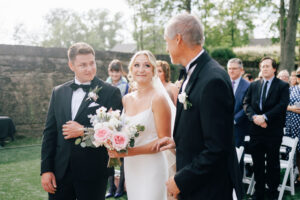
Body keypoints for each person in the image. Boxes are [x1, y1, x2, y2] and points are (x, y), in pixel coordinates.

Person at [154, 13, 243, 200]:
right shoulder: (192, 73)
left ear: (178, 39)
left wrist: (181, 181)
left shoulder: (213, 80)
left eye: (166, 41)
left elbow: (218, 148)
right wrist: (179, 141)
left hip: (209, 189)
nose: (166, 47)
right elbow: (203, 128)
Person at [40, 42, 122, 200]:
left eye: (92, 63)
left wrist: (84, 131)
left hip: (93, 172)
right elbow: (49, 133)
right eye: (83, 65)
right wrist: (46, 170)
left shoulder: (111, 92)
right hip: (60, 172)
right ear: (71, 65)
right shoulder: (58, 92)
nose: (89, 68)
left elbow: (116, 132)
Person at [108, 50, 176, 200]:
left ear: (153, 70)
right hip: (132, 166)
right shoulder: (126, 99)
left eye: (146, 65)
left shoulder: (158, 99)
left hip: (152, 166)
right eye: (137, 65)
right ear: (131, 69)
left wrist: (128, 152)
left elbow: (163, 141)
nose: (141, 69)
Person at [243, 57, 289, 200]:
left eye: (267, 66)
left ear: (274, 69)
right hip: (256, 131)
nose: (264, 69)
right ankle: (259, 192)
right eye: (262, 66)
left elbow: (282, 105)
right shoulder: (254, 85)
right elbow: (246, 103)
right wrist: (255, 117)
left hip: (272, 131)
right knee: (257, 164)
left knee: (272, 164)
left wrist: (265, 117)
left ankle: (272, 193)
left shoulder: (282, 86)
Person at [105, 59, 128, 198]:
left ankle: (120, 187)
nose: (115, 74)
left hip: (122, 121)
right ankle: (111, 187)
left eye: (117, 72)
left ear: (121, 71)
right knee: (109, 153)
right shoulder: (105, 84)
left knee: (123, 155)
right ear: (109, 72)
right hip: (108, 122)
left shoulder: (126, 85)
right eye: (112, 72)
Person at [227, 58, 250, 147]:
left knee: (237, 155)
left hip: (238, 126)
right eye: (229, 68)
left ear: (241, 70)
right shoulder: (222, 82)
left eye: (234, 68)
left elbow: (247, 106)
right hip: (222, 125)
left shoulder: (248, 86)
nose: (231, 71)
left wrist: (234, 120)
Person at [285, 67, 300, 185]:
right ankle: (295, 175)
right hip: (292, 124)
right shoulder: (292, 89)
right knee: (295, 151)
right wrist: (292, 108)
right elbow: (283, 104)